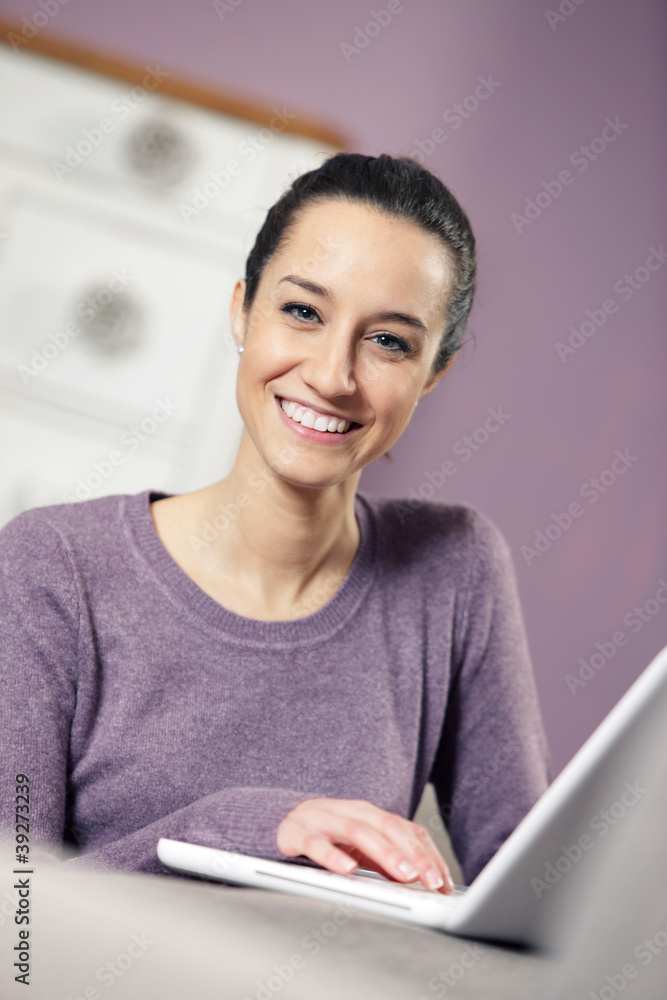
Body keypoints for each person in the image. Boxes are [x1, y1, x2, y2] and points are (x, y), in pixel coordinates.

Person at [0, 153, 551, 894]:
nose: (332, 375)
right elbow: (15, 920)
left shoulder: (452, 569)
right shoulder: (51, 567)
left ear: (433, 373)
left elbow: (533, 900)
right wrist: (240, 829)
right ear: (241, 310)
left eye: (388, 341)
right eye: (302, 312)